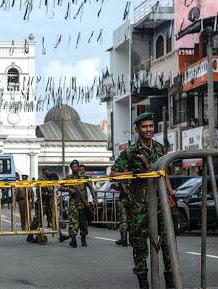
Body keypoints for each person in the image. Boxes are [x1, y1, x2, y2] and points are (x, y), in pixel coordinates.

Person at [110, 112, 175, 289]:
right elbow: (113, 174)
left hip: (160, 203)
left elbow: (165, 174)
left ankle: (170, 281)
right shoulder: (131, 152)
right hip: (139, 206)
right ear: (137, 129)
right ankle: (144, 284)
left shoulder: (161, 149)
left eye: (151, 126)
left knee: (167, 243)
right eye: (144, 127)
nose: (148, 129)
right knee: (139, 246)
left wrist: (171, 196)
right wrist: (133, 174)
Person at [59, 160, 97, 247]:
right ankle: (73, 240)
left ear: (78, 167)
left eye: (76, 166)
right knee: (73, 221)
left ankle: (83, 239)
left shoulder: (84, 177)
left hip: (83, 202)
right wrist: (69, 189)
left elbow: (91, 188)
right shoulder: (68, 178)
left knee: (83, 222)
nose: (75, 168)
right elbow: (60, 186)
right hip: (73, 203)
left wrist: (95, 198)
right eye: (73, 167)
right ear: (71, 168)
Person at [26, 169, 58, 244]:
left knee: (54, 217)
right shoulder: (41, 179)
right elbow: (39, 192)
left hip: (49, 202)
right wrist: (49, 194)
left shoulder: (50, 178)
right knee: (38, 219)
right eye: (48, 170)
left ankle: (60, 234)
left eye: (50, 170)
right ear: (44, 171)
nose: (50, 172)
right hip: (42, 202)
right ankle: (30, 236)